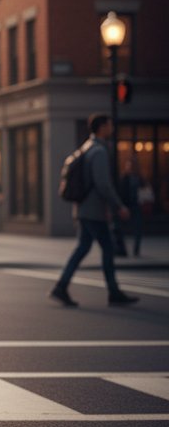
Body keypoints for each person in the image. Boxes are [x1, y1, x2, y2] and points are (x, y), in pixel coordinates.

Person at [51, 114, 139, 307]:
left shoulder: (86, 148)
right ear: (102, 127)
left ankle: (63, 286)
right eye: (109, 125)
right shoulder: (98, 151)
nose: (112, 128)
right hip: (93, 210)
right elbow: (103, 184)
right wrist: (119, 206)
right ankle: (112, 292)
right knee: (105, 249)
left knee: (84, 248)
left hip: (85, 209)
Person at [117, 158, 144, 257]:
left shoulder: (139, 178)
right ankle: (123, 249)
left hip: (136, 205)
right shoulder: (124, 178)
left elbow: (145, 189)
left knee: (138, 229)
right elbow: (121, 192)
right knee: (122, 229)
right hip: (126, 206)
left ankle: (136, 250)